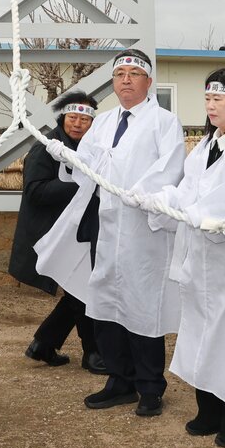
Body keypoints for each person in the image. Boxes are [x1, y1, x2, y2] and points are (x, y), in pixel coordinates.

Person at [35, 49, 186, 417]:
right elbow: (86, 166)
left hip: (142, 228)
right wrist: (66, 156)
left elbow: (170, 169)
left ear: (148, 82)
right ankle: (120, 380)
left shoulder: (164, 122)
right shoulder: (102, 123)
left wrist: (138, 192)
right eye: (120, 74)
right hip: (107, 225)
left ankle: (150, 386)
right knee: (104, 303)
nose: (126, 80)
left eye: (134, 74)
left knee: (142, 306)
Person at [144, 68, 225, 448]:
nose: (211, 106)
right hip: (200, 257)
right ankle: (210, 407)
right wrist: (164, 199)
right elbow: (187, 189)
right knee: (200, 329)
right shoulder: (203, 146)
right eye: (207, 99)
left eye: (219, 99)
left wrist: (200, 210)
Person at [9, 90, 107, 374]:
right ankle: (92, 353)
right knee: (82, 291)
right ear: (63, 117)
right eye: (73, 117)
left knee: (79, 290)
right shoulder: (46, 147)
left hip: (76, 231)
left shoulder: (89, 150)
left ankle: (43, 344)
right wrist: (81, 185)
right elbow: (34, 191)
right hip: (52, 233)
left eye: (84, 119)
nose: (77, 124)